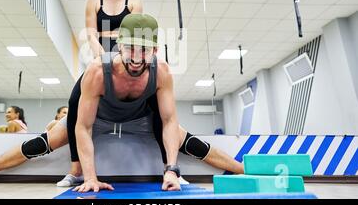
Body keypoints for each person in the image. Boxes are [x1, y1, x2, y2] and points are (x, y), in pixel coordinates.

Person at [61, 0, 244, 187]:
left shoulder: (134, 1)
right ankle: (76, 168)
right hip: (103, 56)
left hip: (126, 51)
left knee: (163, 113)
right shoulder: (94, 0)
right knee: (75, 101)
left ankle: (170, 169)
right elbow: (91, 34)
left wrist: (125, 49)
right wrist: (103, 60)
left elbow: (136, 33)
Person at [73, 14, 244, 193]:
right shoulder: (97, 71)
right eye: (131, 48)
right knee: (57, 135)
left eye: (144, 49)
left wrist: (171, 170)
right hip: (100, 119)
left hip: (139, 120)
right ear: (120, 46)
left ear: (154, 50)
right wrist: (90, 177)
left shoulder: (162, 71)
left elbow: (169, 121)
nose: (137, 58)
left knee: (186, 139)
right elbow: (83, 127)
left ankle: (242, 169)